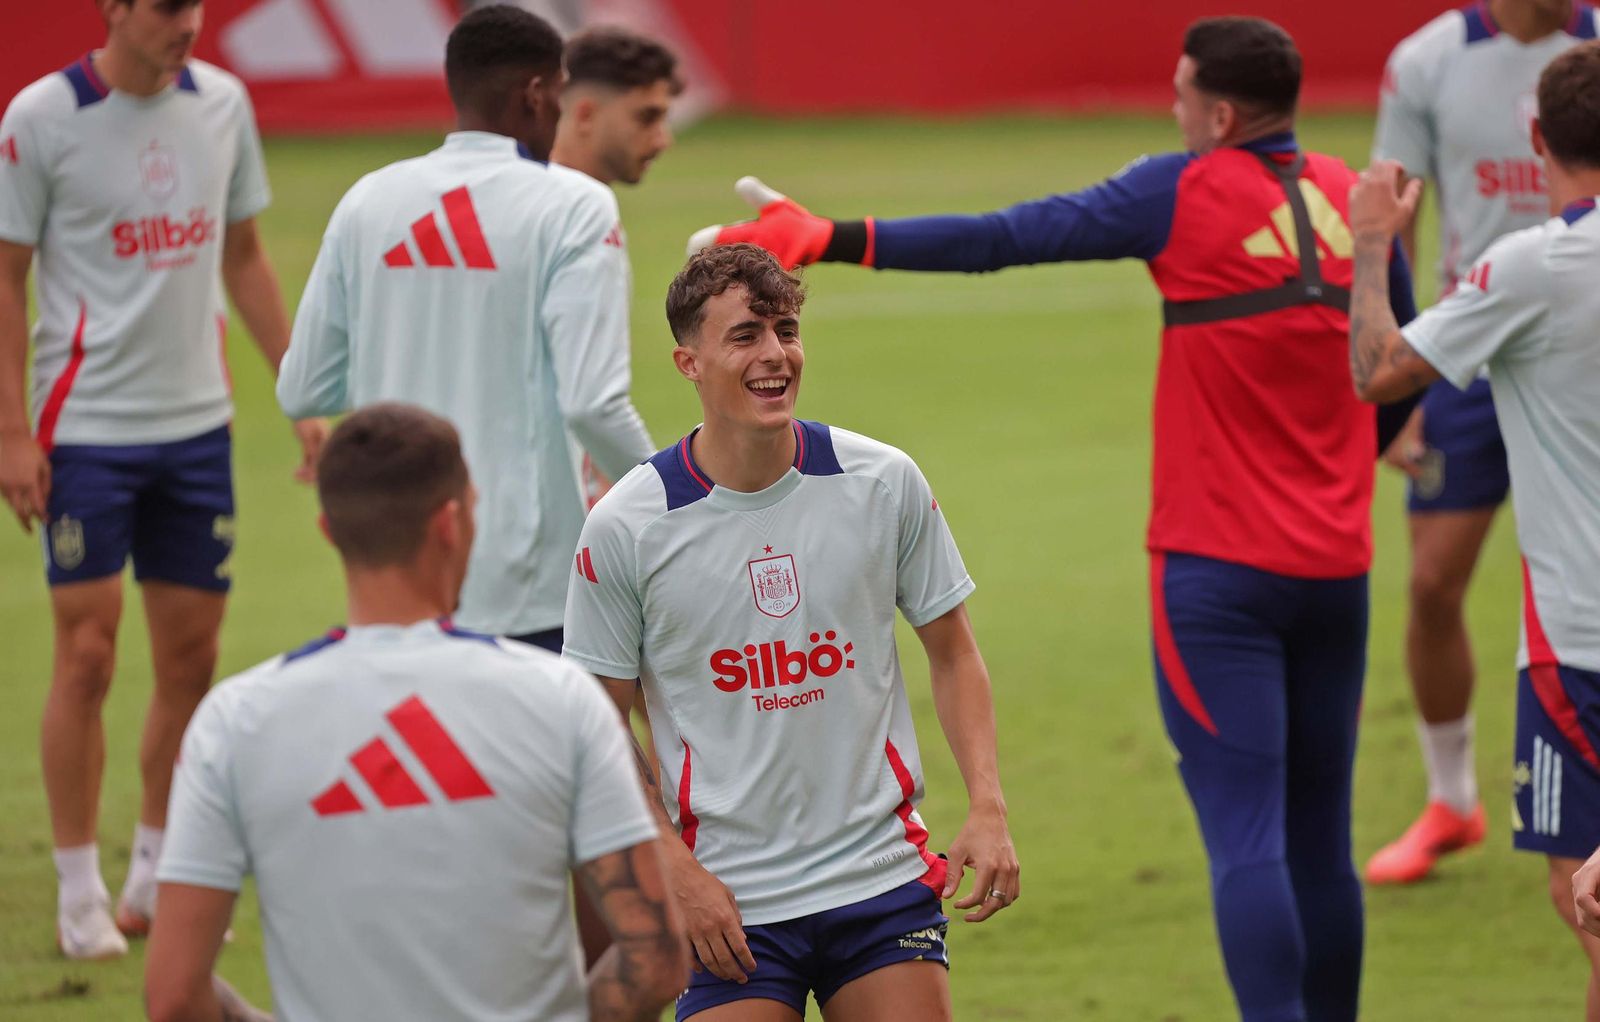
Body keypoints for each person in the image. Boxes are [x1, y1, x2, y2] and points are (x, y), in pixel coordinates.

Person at [689, 18, 1419, 1021]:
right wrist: (1369, 452)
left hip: (1215, 578)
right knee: (1319, 839)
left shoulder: (1181, 189)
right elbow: (1394, 362)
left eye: (1178, 93)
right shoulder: (1353, 199)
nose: (1171, 108)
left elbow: (1007, 237)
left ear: (1216, 111)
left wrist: (831, 239)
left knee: (1247, 837)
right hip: (1338, 570)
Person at [562, 244, 1019, 1021]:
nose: (776, 354)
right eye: (745, 335)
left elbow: (954, 652)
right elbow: (596, 723)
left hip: (878, 879)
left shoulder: (880, 481)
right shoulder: (627, 528)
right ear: (689, 361)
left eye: (786, 329)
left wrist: (987, 803)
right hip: (730, 905)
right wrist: (676, 870)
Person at [144, 402, 688, 1022]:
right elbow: (657, 958)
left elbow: (173, 995)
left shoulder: (235, 722)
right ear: (451, 525)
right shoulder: (560, 700)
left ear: (329, 530)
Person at [0, 0, 325, 959]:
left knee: (189, 661)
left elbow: (245, 256)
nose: (187, 21)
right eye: (164, 6)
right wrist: (12, 432)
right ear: (113, 9)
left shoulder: (224, 103)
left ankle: (151, 868)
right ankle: (75, 892)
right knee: (89, 654)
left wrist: (297, 384)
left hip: (196, 432)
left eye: (195, 4)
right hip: (87, 433)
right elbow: (6, 279)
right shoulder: (38, 119)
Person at [1348, 40, 1600, 1017]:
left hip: (1577, 643)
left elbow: (1375, 371)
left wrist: (1373, 243)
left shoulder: (1531, 267)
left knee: (1580, 896)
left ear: (1536, 138)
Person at [277, 3, 653, 652]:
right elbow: (593, 401)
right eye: (559, 95)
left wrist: (407, 352)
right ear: (536, 94)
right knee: (557, 755)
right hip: (529, 582)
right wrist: (676, 495)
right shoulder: (572, 204)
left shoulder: (369, 198)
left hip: (398, 572)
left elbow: (303, 388)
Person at [552, 24, 680, 508]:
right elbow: (593, 404)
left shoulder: (504, 206)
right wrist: (670, 496)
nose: (663, 138)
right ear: (585, 112)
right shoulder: (582, 214)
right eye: (646, 117)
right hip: (543, 526)